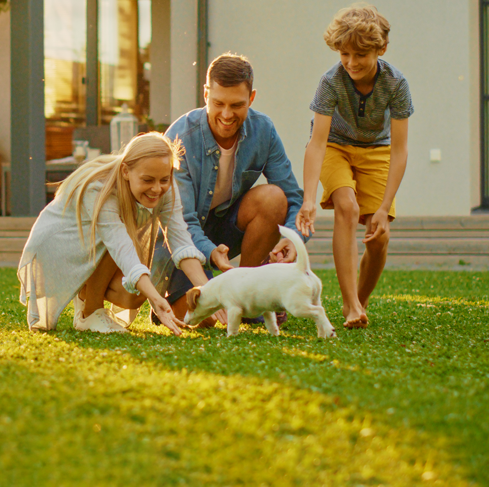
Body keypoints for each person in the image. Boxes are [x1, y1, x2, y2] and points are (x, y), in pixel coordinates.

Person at [153, 53, 306, 325]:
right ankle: (173, 297)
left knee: (273, 198)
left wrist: (293, 239)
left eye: (237, 105)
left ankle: (247, 294)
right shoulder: (180, 136)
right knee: (206, 320)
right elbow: (182, 222)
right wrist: (211, 253)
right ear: (205, 94)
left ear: (252, 98)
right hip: (180, 239)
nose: (226, 114)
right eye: (218, 103)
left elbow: (294, 198)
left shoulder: (264, 131)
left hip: (226, 228)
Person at [17, 132, 209, 334]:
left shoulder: (164, 187)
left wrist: (211, 293)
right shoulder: (100, 188)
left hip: (96, 246)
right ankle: (89, 313)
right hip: (59, 245)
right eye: (148, 180)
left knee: (132, 296)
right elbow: (119, 246)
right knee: (123, 248)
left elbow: (181, 243)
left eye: (164, 179)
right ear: (126, 171)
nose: (157, 188)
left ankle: (85, 295)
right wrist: (157, 299)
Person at [296, 4, 412, 329]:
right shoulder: (331, 81)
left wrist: (385, 206)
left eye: (360, 55)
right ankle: (349, 304)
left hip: (377, 150)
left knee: (378, 237)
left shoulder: (396, 84)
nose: (351, 63)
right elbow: (317, 143)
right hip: (335, 146)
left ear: (381, 49)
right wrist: (308, 199)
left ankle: (359, 303)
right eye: (344, 54)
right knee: (346, 206)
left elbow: (400, 150)